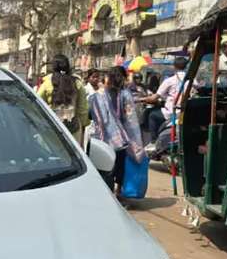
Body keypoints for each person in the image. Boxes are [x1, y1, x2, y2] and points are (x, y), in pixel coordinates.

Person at [88, 66, 145, 196]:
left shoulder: (99, 95)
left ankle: (106, 192)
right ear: (123, 78)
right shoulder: (125, 94)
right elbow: (131, 119)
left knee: (106, 165)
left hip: (103, 137)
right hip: (121, 138)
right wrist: (135, 139)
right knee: (120, 165)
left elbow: (91, 114)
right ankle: (118, 192)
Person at [38, 54, 89, 143]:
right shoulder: (77, 83)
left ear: (53, 67)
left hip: (51, 132)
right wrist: (84, 125)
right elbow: (83, 110)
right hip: (73, 132)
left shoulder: (46, 84)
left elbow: (37, 105)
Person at [143, 56, 188, 145]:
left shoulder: (169, 81)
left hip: (172, 112)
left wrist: (140, 99)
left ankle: (154, 141)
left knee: (152, 115)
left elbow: (154, 98)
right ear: (186, 67)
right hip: (186, 112)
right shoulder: (192, 80)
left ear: (174, 67)